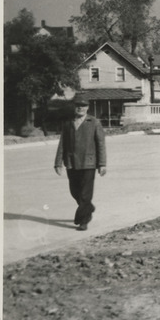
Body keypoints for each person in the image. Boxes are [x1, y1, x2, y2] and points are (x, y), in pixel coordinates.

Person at [54, 94, 107, 231]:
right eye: (78, 106)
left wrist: (102, 164)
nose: (80, 108)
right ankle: (88, 207)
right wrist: (58, 163)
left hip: (88, 163)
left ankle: (83, 220)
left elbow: (101, 144)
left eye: (83, 106)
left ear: (87, 107)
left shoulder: (94, 122)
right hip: (71, 162)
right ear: (74, 107)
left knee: (85, 193)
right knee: (74, 191)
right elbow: (62, 144)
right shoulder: (68, 123)